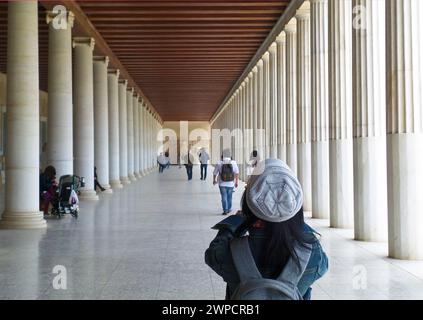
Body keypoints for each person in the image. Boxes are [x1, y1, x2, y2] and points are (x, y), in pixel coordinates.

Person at [205, 159, 328, 300]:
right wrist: (294, 220)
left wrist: (237, 220)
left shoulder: (229, 251)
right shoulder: (311, 253)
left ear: (248, 204)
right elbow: (322, 262)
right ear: (295, 206)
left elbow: (212, 254)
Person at [213, 150, 239, 215]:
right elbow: (237, 173)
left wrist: (214, 180)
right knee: (229, 197)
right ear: (230, 155)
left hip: (222, 183)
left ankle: (225, 210)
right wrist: (236, 182)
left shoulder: (219, 163)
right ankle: (229, 208)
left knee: (223, 196)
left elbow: (215, 173)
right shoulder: (233, 162)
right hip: (231, 183)